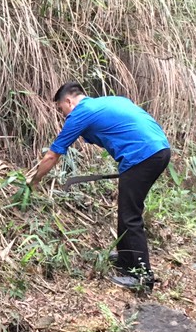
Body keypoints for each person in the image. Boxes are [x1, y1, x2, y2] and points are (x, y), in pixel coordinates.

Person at [28, 82, 171, 289]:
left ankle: (143, 277)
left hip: (143, 155)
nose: (63, 114)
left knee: (130, 215)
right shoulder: (108, 101)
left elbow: (53, 154)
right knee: (126, 209)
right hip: (158, 149)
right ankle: (125, 259)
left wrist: (34, 181)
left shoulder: (81, 113)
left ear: (69, 101)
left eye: (61, 109)